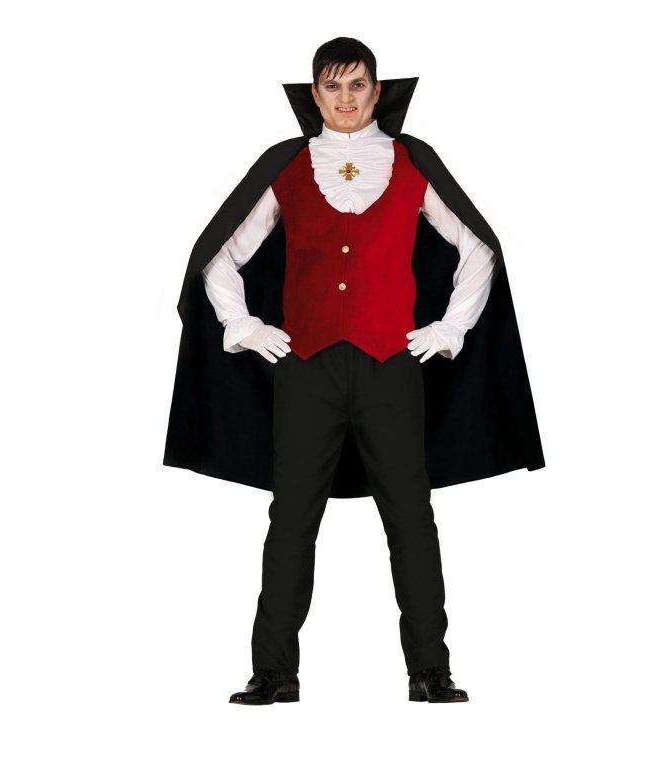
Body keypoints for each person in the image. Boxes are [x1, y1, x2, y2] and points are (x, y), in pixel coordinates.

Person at [162, 37, 545, 704]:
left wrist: (450, 328)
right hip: (305, 369)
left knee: (411, 519)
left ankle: (430, 669)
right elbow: (218, 254)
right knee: (292, 521)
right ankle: (274, 672)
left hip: (391, 367)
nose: (346, 98)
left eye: (357, 85)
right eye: (333, 86)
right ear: (315, 94)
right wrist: (243, 326)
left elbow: (480, 248)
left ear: (376, 91)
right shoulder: (286, 165)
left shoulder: (411, 160)